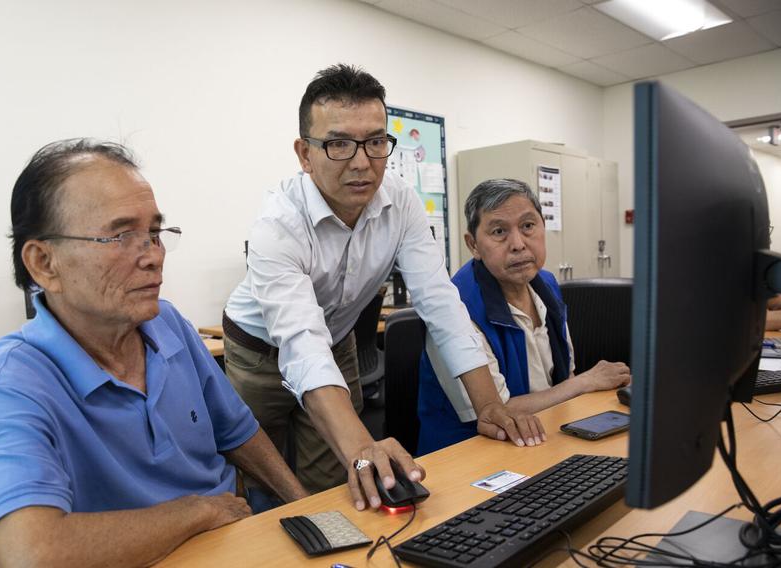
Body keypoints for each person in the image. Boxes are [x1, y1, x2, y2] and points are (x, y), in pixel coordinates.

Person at [0, 139, 308, 567]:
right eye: (122, 235)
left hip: (229, 543)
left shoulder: (168, 324)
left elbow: (239, 433)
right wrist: (195, 511)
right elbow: (28, 555)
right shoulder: (14, 380)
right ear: (43, 263)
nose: (153, 257)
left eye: (154, 233)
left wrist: (304, 509)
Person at [222, 64, 545, 511]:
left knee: (338, 481)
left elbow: (440, 304)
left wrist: (489, 404)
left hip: (335, 342)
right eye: (338, 143)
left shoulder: (401, 201)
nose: (361, 162)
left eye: (375, 142)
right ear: (304, 153)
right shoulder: (278, 225)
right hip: (256, 351)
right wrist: (361, 445)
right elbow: (300, 342)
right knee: (263, 475)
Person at [417, 179, 631, 455]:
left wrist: (584, 385)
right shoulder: (455, 309)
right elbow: (496, 412)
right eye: (499, 232)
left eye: (528, 226)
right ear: (473, 245)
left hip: (542, 435)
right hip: (471, 455)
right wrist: (585, 382)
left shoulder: (546, 284)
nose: (518, 244)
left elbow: (565, 376)